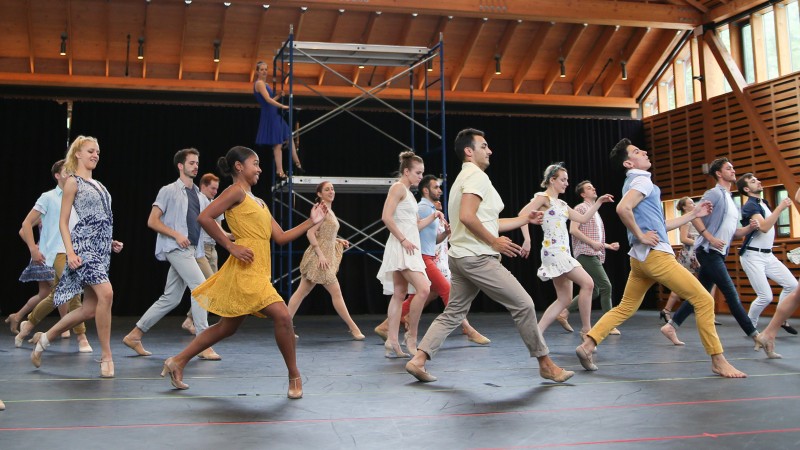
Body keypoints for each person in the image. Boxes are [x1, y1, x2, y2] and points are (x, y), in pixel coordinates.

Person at [405, 128, 574, 384]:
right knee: (524, 304)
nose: (490, 150)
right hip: (477, 257)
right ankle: (546, 364)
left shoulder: (463, 179)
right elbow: (467, 217)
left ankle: (418, 360)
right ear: (469, 151)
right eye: (484, 146)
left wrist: (524, 219)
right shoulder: (476, 177)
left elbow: (488, 220)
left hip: (460, 257)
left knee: (453, 312)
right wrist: (493, 241)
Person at [160, 146, 327, 400]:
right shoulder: (235, 191)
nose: (259, 168)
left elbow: (280, 237)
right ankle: (294, 375)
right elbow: (205, 218)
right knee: (282, 315)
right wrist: (230, 246)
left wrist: (311, 222)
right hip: (245, 271)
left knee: (226, 328)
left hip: (259, 271)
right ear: (239, 167)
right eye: (255, 163)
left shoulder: (258, 201)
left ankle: (178, 361)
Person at [575, 139, 746, 378]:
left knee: (625, 307)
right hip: (656, 257)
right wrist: (641, 235)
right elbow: (622, 209)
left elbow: (662, 225)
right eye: (636, 152)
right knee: (705, 300)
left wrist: (694, 214)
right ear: (628, 162)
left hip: (640, 260)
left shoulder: (633, 182)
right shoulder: (642, 180)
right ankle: (718, 360)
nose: (643, 152)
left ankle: (588, 344)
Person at [30, 135, 124, 378]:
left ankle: (45, 339)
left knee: (88, 309)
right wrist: (70, 252)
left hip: (101, 249)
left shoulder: (101, 185)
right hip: (83, 248)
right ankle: (106, 357)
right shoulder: (73, 182)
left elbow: (101, 219)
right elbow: (63, 222)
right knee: (107, 293)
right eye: (91, 151)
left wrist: (110, 241)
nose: (95, 155)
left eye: (98, 152)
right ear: (78, 154)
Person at [122, 149, 219, 360]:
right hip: (176, 248)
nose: (195, 166)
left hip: (192, 250)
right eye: (191, 163)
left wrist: (228, 237)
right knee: (202, 288)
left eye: (197, 163)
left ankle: (135, 335)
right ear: (181, 166)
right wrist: (176, 235)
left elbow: (206, 225)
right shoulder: (168, 190)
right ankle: (203, 343)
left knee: (171, 298)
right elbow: (152, 221)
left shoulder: (200, 197)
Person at [373, 176, 489, 345]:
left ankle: (386, 325)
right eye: (436, 187)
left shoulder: (430, 209)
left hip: (427, 256)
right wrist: (404, 241)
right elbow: (410, 228)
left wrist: (445, 234)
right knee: (446, 290)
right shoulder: (421, 207)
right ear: (426, 190)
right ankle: (467, 328)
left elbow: (430, 239)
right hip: (421, 257)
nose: (440, 191)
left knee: (426, 293)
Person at [660, 157, 761, 347]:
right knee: (731, 294)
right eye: (728, 168)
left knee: (701, 293)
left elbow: (733, 233)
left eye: (732, 167)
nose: (733, 171)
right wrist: (709, 237)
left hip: (717, 253)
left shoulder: (730, 201)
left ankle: (671, 325)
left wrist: (748, 229)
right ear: (718, 173)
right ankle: (756, 335)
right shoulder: (714, 193)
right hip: (708, 252)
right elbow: (695, 216)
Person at [519, 165, 613, 337]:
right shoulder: (543, 198)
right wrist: (527, 239)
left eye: (567, 180)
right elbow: (523, 215)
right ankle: (586, 330)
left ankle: (537, 332)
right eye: (563, 179)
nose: (566, 183)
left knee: (565, 299)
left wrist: (598, 202)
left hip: (562, 251)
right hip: (554, 251)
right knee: (588, 284)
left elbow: (583, 218)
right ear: (552, 180)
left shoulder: (562, 204)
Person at [15, 159, 92, 353]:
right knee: (74, 290)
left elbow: (84, 227)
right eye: (66, 171)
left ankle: (28, 326)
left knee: (55, 296)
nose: (70, 174)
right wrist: (33, 249)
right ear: (57, 175)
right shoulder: (48, 197)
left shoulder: (78, 196)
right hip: (58, 251)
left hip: (75, 251)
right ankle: (81, 337)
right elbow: (26, 224)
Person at [287, 181, 364, 340]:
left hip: (325, 255)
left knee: (302, 291)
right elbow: (310, 233)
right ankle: (353, 328)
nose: (331, 191)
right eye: (327, 189)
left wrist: (337, 241)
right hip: (319, 258)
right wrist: (320, 254)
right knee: (336, 293)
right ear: (320, 194)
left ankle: (284, 326)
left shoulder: (329, 210)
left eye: (332, 189)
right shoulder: (321, 210)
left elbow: (325, 234)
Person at [376, 152, 431, 358]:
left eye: (422, 173)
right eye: (418, 173)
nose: (420, 176)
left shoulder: (408, 193)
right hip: (403, 246)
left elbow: (416, 225)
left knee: (399, 293)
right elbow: (386, 217)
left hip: (409, 245)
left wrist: (434, 216)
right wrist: (403, 240)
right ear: (406, 171)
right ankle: (412, 336)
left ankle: (392, 341)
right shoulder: (398, 188)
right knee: (424, 289)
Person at [553, 180, 621, 335]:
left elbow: (594, 236)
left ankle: (563, 313)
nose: (593, 188)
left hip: (593, 252)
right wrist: (592, 243)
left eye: (593, 186)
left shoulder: (594, 211)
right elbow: (573, 229)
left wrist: (608, 245)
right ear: (583, 194)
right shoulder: (581, 208)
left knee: (595, 290)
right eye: (589, 188)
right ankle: (608, 325)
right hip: (585, 253)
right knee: (606, 286)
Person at [736, 173, 797, 334]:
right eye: (753, 181)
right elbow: (763, 227)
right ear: (747, 189)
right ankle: (750, 326)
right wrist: (780, 208)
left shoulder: (762, 203)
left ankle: (781, 318)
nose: (759, 182)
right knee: (765, 296)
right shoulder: (750, 206)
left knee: (792, 286)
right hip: (752, 256)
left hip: (768, 255)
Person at [181, 173, 227, 335]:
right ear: (203, 186)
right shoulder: (198, 201)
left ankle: (190, 320)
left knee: (211, 288)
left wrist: (230, 236)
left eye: (217, 189)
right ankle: (198, 325)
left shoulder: (215, 204)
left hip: (212, 249)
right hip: (200, 249)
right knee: (208, 285)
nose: (215, 191)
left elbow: (219, 228)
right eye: (212, 188)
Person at [254, 61, 303, 179]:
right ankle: (280, 171)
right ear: (257, 71)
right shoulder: (259, 83)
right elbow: (267, 100)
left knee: (288, 136)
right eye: (262, 69)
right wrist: (282, 106)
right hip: (270, 115)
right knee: (278, 143)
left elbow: (270, 99)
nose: (265, 71)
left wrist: (279, 96)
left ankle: (297, 163)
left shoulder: (265, 84)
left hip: (273, 113)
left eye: (266, 69)